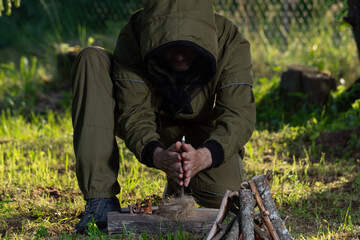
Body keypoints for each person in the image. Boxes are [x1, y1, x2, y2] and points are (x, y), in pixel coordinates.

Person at [71, 0, 256, 233]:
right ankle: (99, 202)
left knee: (225, 196)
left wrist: (204, 156)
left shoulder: (230, 40)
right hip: (151, 119)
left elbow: (239, 113)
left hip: (203, 133)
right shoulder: (135, 33)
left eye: (187, 48)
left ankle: (182, 181)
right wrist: (157, 155)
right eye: (169, 48)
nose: (178, 57)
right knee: (90, 58)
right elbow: (134, 110)